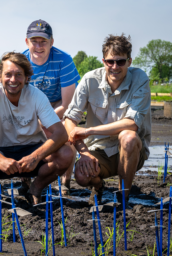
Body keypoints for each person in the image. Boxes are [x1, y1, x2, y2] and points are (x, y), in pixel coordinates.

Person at [0, 52, 73, 205]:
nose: (13, 80)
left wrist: (35, 157)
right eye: (8, 74)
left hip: (31, 148)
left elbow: (61, 134)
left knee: (66, 153)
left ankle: (36, 188)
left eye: (19, 75)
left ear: (27, 77)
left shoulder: (37, 96)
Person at [64, 34, 151, 207]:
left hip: (131, 151)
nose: (115, 67)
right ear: (103, 61)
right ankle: (98, 186)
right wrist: (84, 153)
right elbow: (69, 119)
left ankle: (123, 197)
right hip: (99, 149)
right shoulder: (90, 80)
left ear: (129, 61)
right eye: (110, 61)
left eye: (120, 61)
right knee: (81, 176)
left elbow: (131, 123)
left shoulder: (140, 79)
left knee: (128, 137)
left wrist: (89, 131)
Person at [23, 19, 80, 194]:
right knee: (22, 133)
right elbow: (18, 98)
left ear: (52, 42)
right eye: (34, 41)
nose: (39, 46)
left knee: (67, 134)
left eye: (44, 41)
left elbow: (67, 104)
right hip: (31, 106)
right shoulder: (21, 61)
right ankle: (25, 179)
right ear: (27, 42)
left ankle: (65, 182)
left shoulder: (64, 60)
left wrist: (46, 120)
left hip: (58, 105)